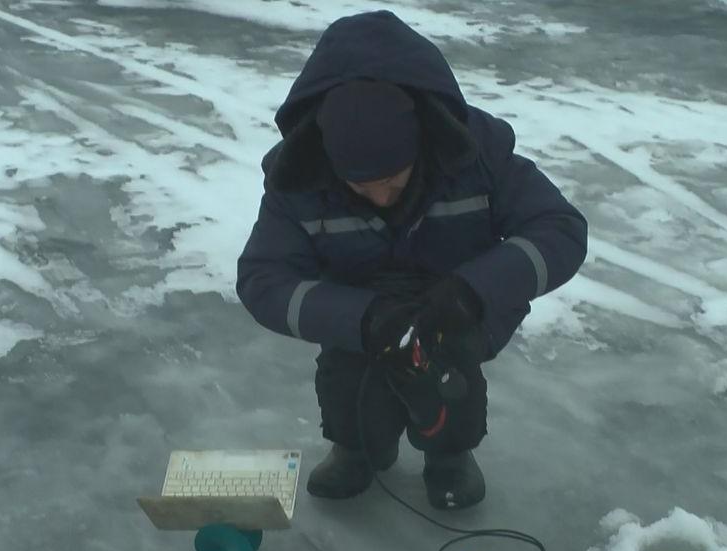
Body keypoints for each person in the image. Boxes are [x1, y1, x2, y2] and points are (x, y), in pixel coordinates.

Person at [236, 11, 588, 511]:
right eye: (362, 186)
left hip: (457, 303)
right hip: (360, 309)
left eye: (394, 181)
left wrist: (474, 291)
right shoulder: (299, 177)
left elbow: (561, 229)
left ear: (420, 144)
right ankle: (355, 447)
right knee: (348, 370)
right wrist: (361, 318)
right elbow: (261, 279)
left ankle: (450, 456)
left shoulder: (478, 154)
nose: (380, 196)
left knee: (451, 363)